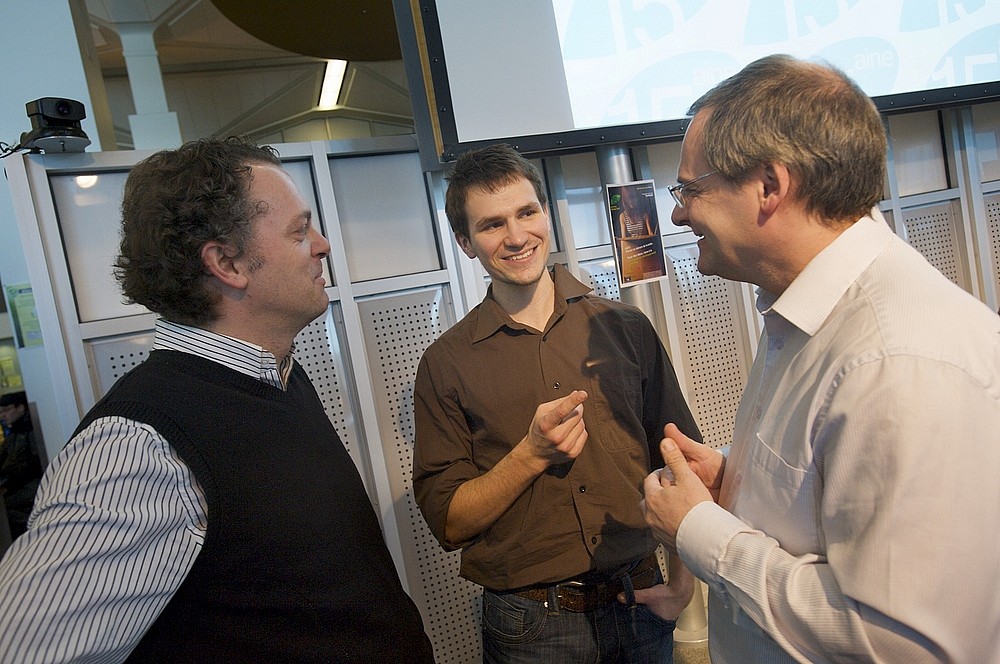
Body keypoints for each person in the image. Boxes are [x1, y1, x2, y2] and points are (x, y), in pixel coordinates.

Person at [0, 137, 435, 663]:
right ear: (227, 263)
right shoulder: (142, 447)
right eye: (300, 231)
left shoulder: (278, 378)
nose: (322, 245)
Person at [641, 54, 1000, 663]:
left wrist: (701, 530)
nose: (678, 213)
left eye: (691, 190)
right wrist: (737, 485)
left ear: (770, 186)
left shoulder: (896, 363)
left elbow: (898, 645)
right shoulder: (805, 313)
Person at [412, 143, 702, 663]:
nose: (516, 236)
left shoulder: (625, 328)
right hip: (530, 628)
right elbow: (449, 522)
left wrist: (683, 583)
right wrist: (531, 455)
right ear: (465, 242)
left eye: (527, 213)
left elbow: (679, 458)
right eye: (492, 224)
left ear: (546, 214)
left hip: (639, 601)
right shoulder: (445, 363)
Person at [0, 391, 44, 539]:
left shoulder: (29, 430)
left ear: (21, 407)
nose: (3, 416)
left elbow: (18, 465)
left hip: (35, 484)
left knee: (5, 508)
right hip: (23, 485)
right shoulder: (15, 432)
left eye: (6, 410)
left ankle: (36, 531)